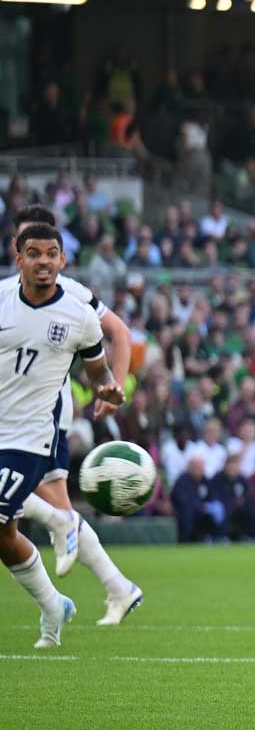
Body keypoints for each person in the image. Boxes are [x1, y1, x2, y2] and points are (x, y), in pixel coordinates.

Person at [3, 205, 142, 626]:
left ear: (61, 255)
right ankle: (111, 589)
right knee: (24, 521)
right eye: (31, 248)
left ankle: (104, 582)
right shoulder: (6, 295)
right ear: (17, 250)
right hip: (10, 416)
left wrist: (111, 391)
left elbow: (117, 333)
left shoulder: (76, 299)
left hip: (41, 421)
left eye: (50, 251)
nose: (42, 260)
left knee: (52, 506)